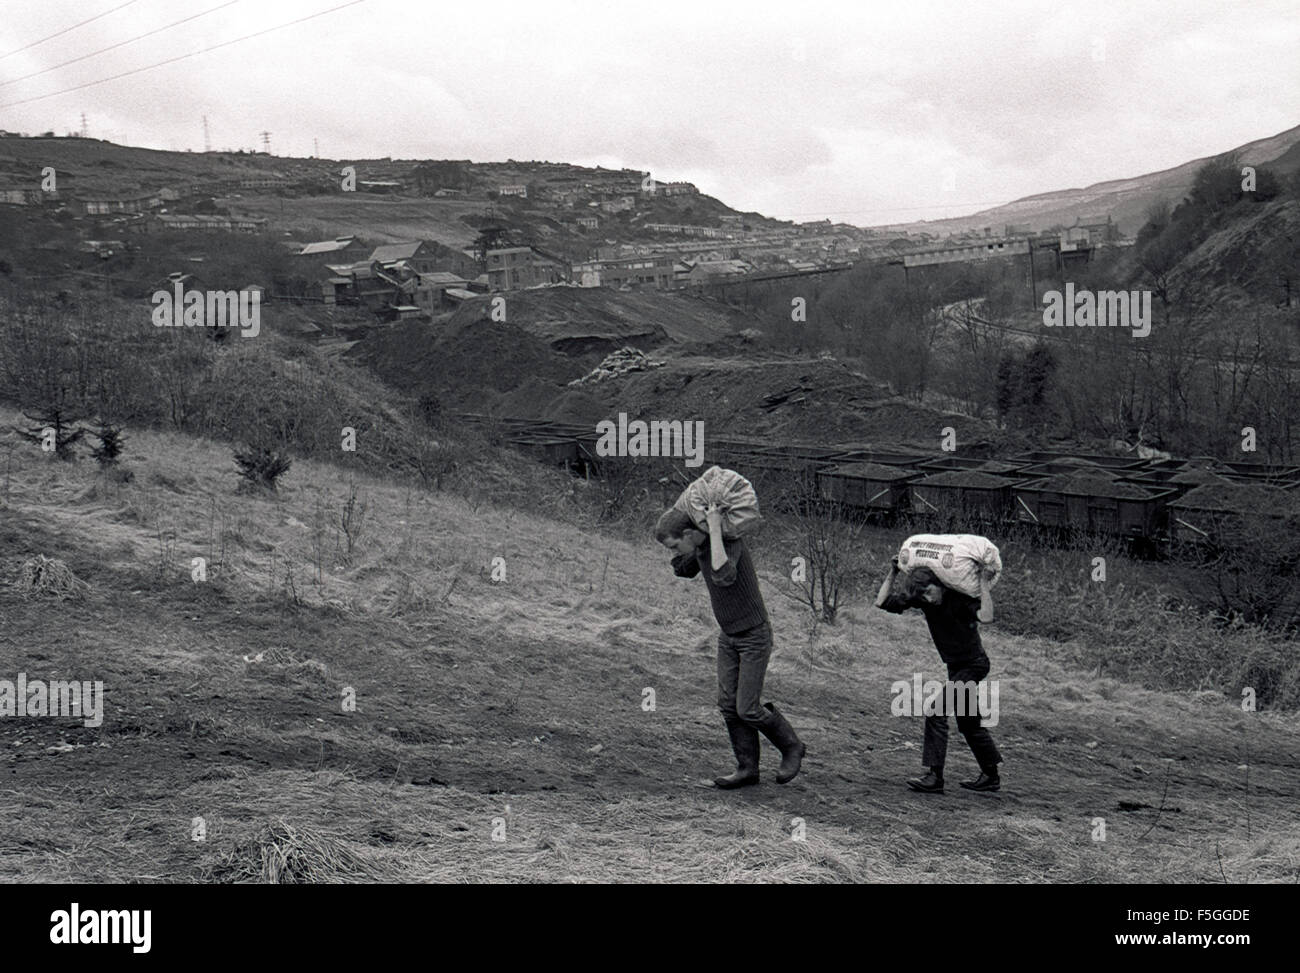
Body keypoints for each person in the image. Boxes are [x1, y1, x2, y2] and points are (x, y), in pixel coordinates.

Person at [655, 506, 805, 789]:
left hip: (754, 636)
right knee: (728, 705)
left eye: (675, 544)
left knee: (747, 708)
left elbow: (724, 575)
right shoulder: (701, 547)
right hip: (729, 636)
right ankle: (748, 769)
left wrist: (712, 529)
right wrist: (691, 544)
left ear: (688, 533)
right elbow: (682, 570)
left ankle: (792, 746)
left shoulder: (729, 543)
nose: (673, 550)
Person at [877, 559, 1002, 794]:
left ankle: (935, 777)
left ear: (940, 584)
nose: (926, 598)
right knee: (968, 722)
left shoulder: (959, 599)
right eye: (921, 595)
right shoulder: (923, 598)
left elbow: (986, 616)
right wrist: (892, 571)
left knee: (936, 711)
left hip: (974, 666)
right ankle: (991, 775)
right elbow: (881, 601)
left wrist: (984, 582)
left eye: (928, 592)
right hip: (956, 668)